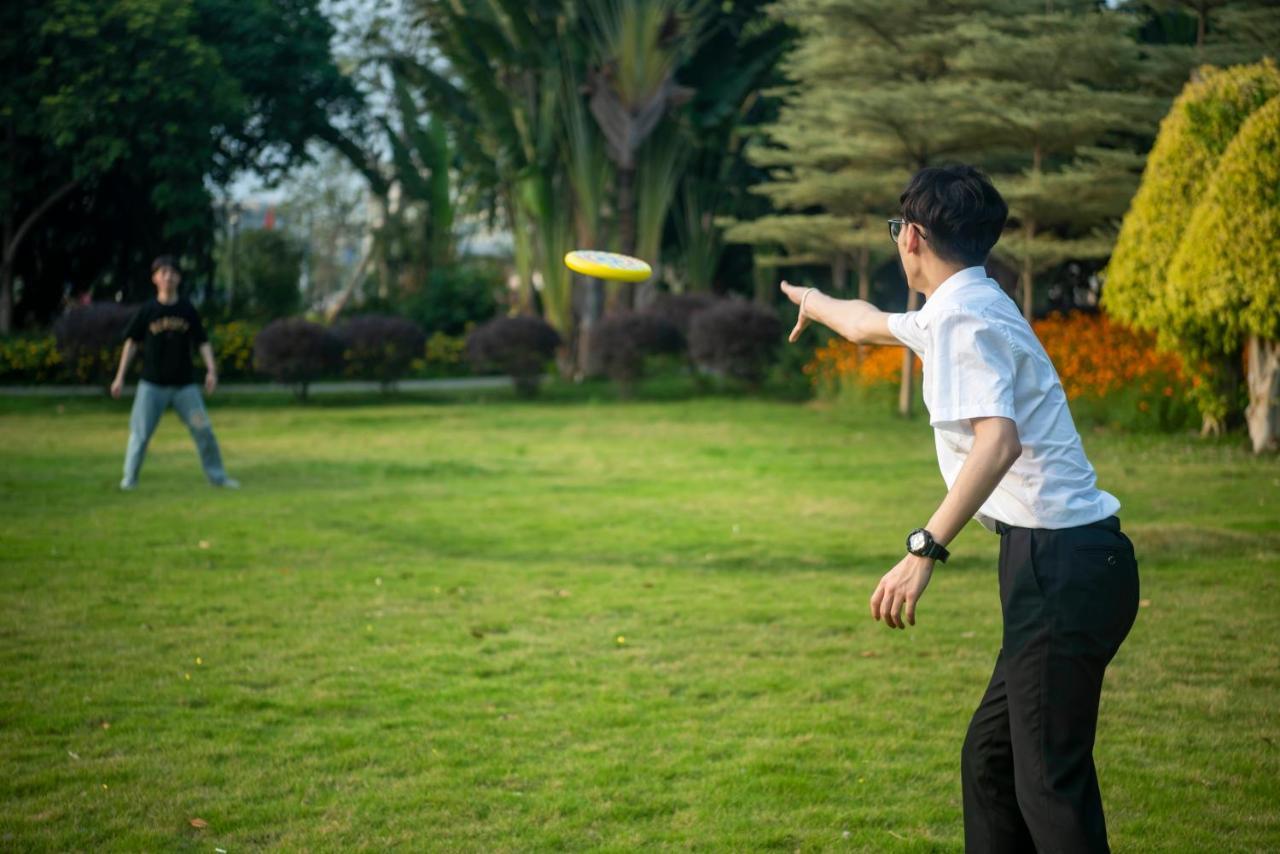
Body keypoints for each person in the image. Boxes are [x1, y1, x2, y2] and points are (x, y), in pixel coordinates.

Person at [781, 165, 1138, 853]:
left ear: (912, 235)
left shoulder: (964, 322)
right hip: (1066, 564)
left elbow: (996, 441)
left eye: (895, 230)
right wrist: (814, 300)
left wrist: (924, 549)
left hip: (1059, 566)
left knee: (1046, 784)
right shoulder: (966, 305)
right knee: (995, 763)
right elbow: (866, 325)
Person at [110, 256, 238, 490]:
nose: (168, 276)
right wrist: (119, 377)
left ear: (178, 278)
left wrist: (211, 369)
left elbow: (202, 341)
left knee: (204, 430)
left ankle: (218, 479)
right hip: (151, 386)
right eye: (163, 272)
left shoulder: (187, 310)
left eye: (172, 272)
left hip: (185, 388)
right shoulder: (148, 310)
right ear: (155, 278)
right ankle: (129, 480)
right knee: (139, 435)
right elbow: (131, 343)